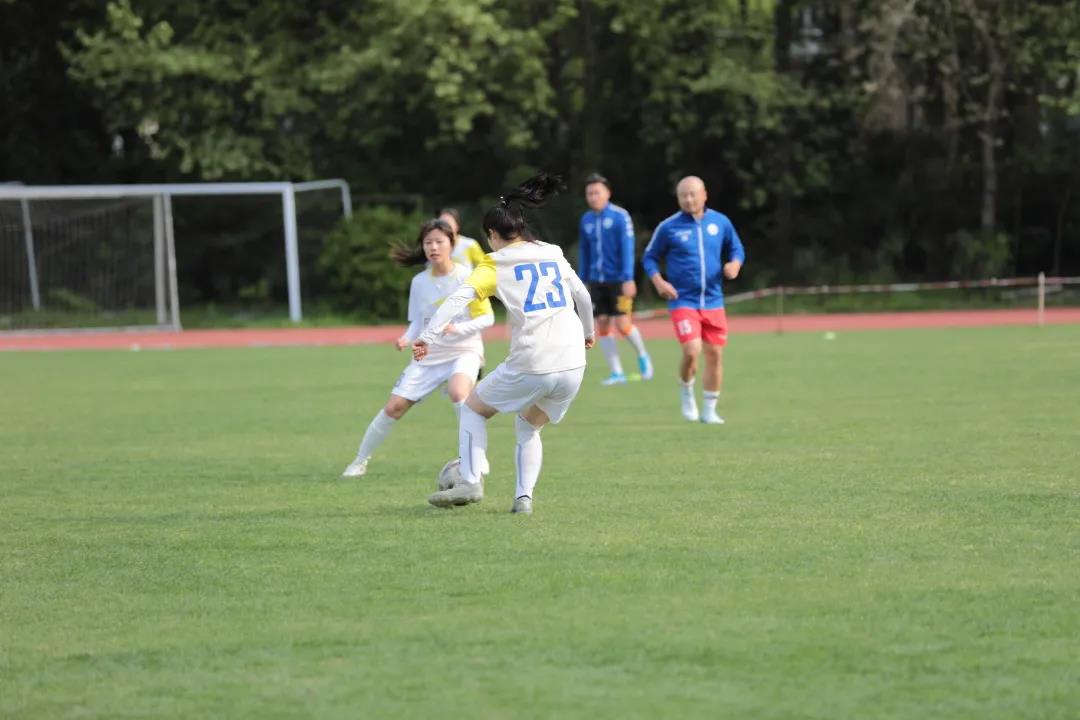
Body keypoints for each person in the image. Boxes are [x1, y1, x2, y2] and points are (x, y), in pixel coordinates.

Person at [413, 174, 595, 514]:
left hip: (533, 360)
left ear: (493, 235)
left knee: (472, 408)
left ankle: (470, 481)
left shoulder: (495, 263)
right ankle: (523, 499)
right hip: (573, 363)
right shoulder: (552, 252)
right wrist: (588, 332)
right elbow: (582, 297)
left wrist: (427, 336)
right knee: (528, 425)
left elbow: (459, 299)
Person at [341, 218, 494, 477]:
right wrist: (406, 337)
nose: (433, 247)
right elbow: (417, 322)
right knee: (394, 407)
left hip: (464, 351)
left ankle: (475, 457)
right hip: (429, 355)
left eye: (439, 242)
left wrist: (457, 329)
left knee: (459, 393)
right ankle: (359, 461)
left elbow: (487, 318)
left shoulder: (467, 277)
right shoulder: (419, 282)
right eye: (427, 242)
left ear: (452, 244)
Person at [642, 176, 745, 425]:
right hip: (682, 300)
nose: (688, 200)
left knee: (715, 354)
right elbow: (650, 257)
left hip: (713, 300)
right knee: (691, 351)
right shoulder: (668, 227)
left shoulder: (720, 222)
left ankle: (709, 410)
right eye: (683, 196)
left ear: (704, 195)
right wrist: (659, 282)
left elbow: (737, 249)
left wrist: (734, 265)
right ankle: (687, 390)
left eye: (693, 194)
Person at [578, 173, 653, 385]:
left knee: (623, 323)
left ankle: (643, 356)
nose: (593, 197)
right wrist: (582, 280)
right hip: (596, 281)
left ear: (608, 193)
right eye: (589, 193)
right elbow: (584, 251)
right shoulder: (586, 220)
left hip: (619, 281)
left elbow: (628, 248)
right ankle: (616, 372)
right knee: (601, 324)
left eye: (597, 192)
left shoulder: (621, 217)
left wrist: (629, 278)